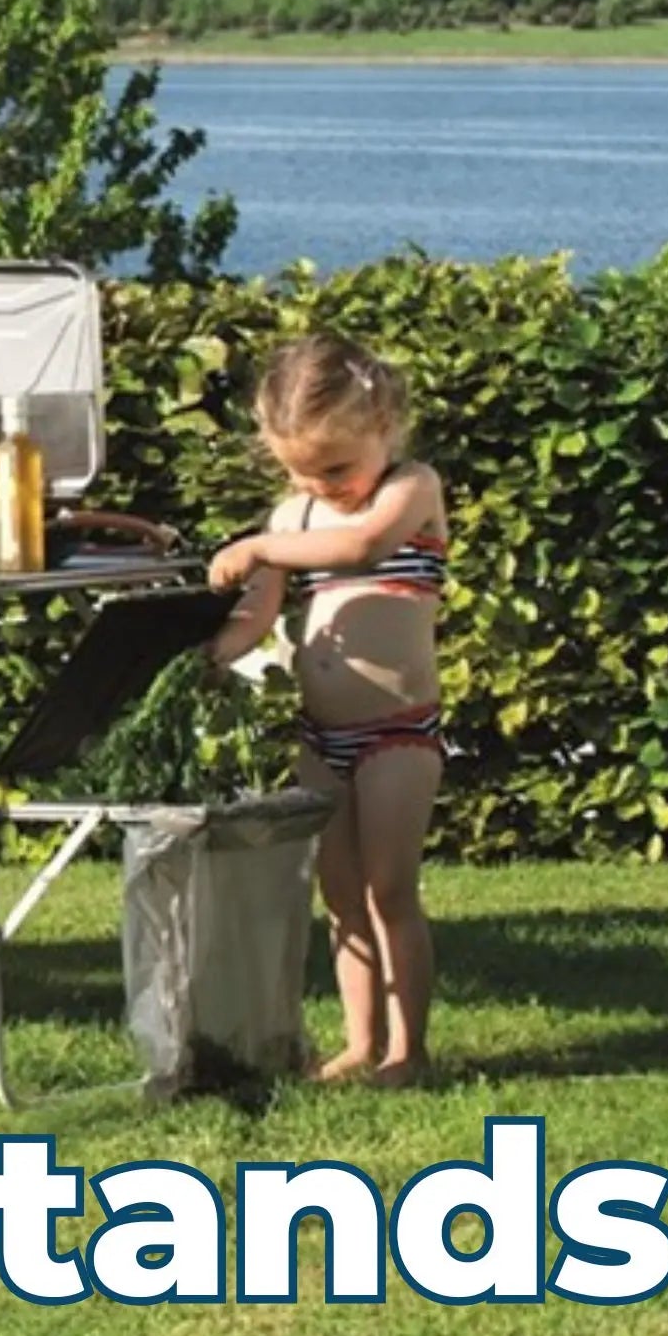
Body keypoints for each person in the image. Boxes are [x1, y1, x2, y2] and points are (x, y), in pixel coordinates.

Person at [206, 333, 446, 1088]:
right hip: (324, 735)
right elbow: (258, 617)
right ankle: (358, 1041)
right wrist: (211, 651)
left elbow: (366, 547)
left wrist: (263, 550)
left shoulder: (410, 488)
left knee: (389, 889)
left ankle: (409, 1049)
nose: (323, 485)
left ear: (385, 424)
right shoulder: (291, 520)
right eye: (300, 471)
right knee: (340, 897)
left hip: (397, 734)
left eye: (337, 467)